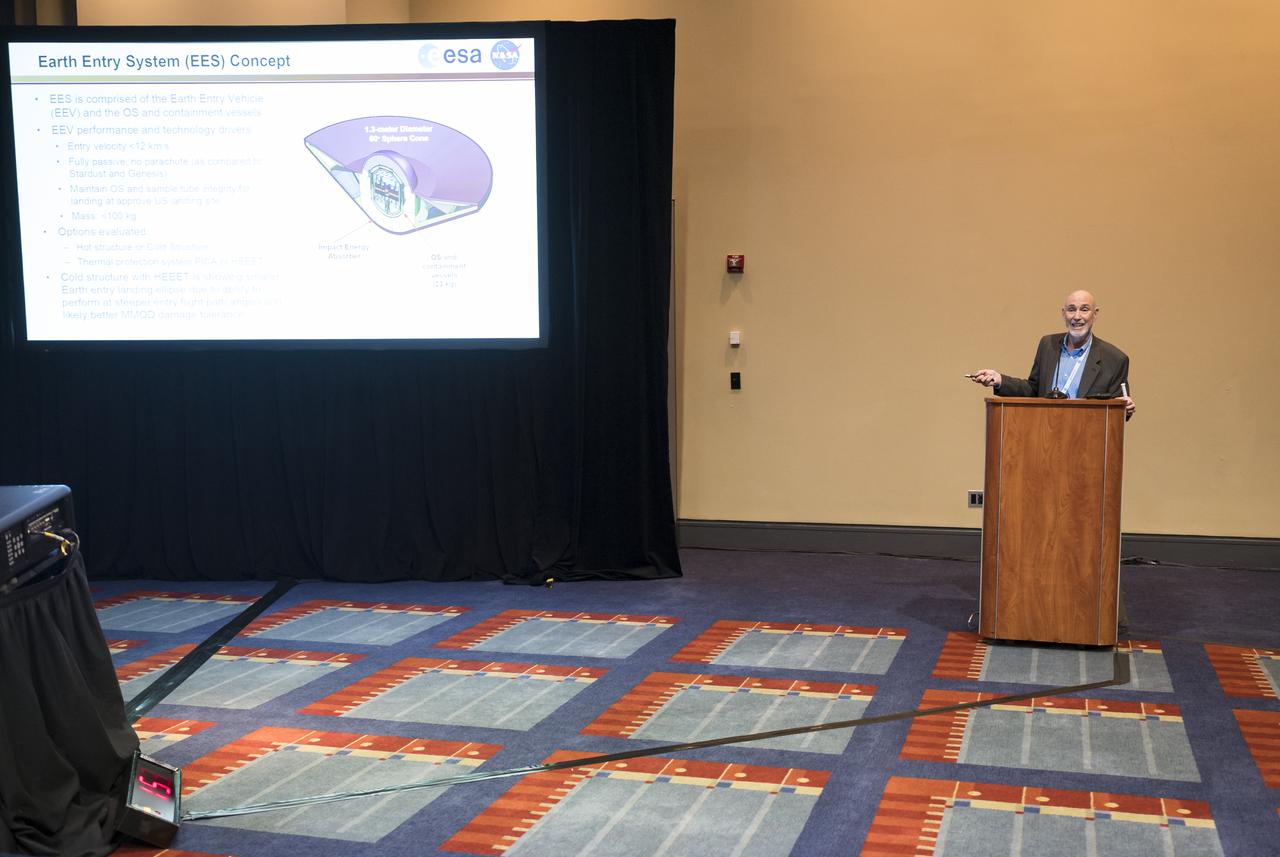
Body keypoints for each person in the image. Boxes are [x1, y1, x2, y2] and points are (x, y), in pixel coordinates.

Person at [969, 290, 1136, 420]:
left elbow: (1118, 412)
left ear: (1095, 314)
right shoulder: (1048, 345)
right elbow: (1034, 390)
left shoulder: (1114, 359)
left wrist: (1126, 409)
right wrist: (1000, 380)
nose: (1077, 317)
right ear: (1063, 313)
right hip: (1045, 436)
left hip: (1087, 445)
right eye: (1071, 310)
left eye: (1084, 310)